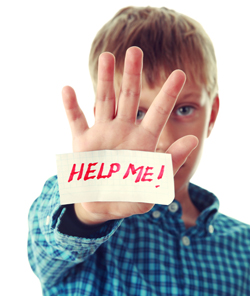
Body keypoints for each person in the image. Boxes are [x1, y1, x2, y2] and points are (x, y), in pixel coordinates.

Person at [28, 6, 250, 295]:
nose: (163, 140)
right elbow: (45, 246)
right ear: (105, 118)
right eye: (139, 113)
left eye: (184, 109)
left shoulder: (243, 248)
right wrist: (85, 211)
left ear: (212, 115)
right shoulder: (85, 212)